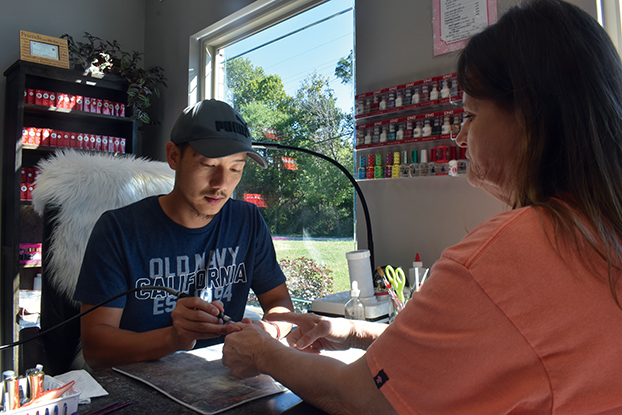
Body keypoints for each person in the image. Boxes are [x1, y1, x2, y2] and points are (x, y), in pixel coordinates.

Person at [221, 0, 622, 413]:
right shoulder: (602, 232)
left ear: (531, 116)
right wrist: (355, 331)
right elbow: (482, 348)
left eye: (470, 115)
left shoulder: (507, 255)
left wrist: (264, 354)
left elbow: (360, 398)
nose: (460, 137)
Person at [73, 99, 294, 370]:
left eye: (235, 168)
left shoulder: (247, 221)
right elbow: (95, 349)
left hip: (226, 376)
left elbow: (279, 301)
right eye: (208, 165)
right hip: (139, 381)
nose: (221, 184)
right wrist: (174, 338)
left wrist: (269, 330)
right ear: (174, 156)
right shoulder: (118, 230)